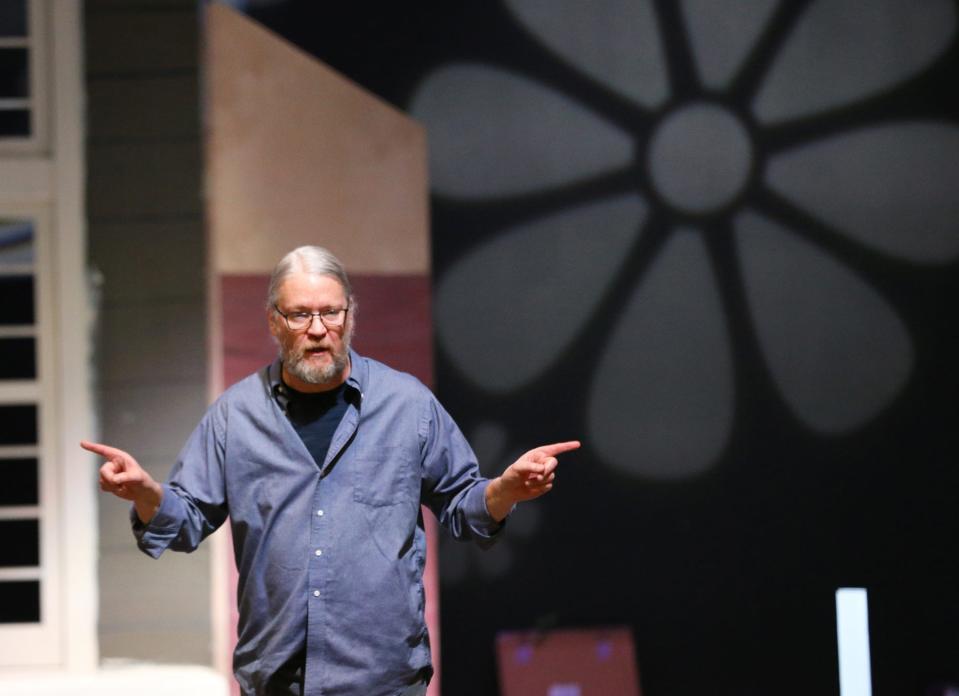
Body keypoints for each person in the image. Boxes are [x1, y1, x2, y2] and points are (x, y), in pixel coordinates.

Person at [82, 245, 579, 696]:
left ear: (350, 316)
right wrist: (146, 493)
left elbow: (461, 506)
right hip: (275, 675)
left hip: (384, 675)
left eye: (330, 312)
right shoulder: (236, 416)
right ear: (274, 322)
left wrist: (505, 490)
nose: (318, 328)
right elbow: (185, 519)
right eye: (300, 314)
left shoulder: (406, 404)